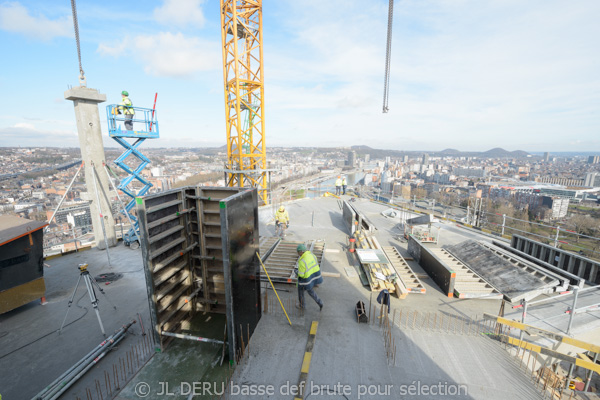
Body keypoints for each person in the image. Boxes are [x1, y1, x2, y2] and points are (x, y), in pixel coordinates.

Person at [295, 244, 323, 310]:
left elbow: (301, 275)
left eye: (298, 252)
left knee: (300, 291)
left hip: (306, 280)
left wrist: (296, 271)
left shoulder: (302, 261)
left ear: (301, 252)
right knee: (310, 291)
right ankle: (320, 302)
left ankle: (302, 305)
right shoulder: (312, 255)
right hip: (314, 277)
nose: (298, 254)